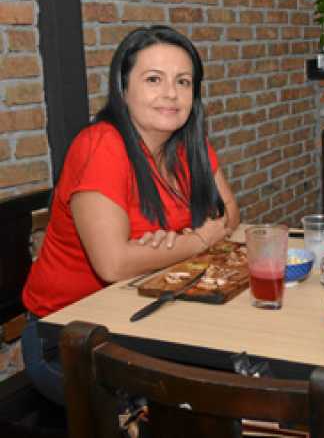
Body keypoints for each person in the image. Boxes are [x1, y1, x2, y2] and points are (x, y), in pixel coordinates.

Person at [21, 25, 240, 405]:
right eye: (154, 79)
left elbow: (229, 215)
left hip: (147, 320)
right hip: (70, 339)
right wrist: (196, 240)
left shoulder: (189, 142)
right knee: (199, 407)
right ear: (123, 89)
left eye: (183, 82)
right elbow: (115, 264)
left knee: (242, 376)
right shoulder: (102, 145)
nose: (171, 93)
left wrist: (163, 248)